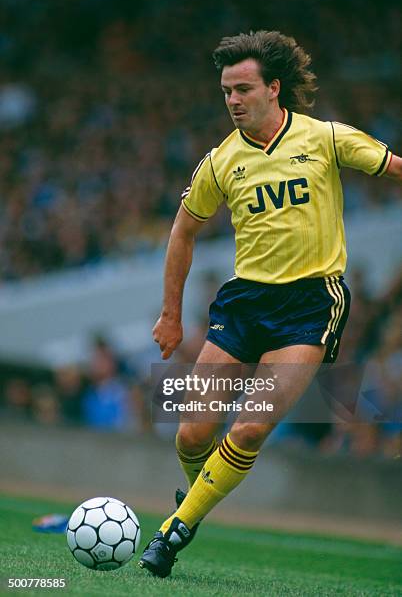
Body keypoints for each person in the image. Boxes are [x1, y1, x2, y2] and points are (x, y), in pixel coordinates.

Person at [139, 30, 402, 577]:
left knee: (251, 426)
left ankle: (173, 532)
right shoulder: (221, 162)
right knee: (192, 434)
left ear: (273, 88)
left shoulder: (326, 138)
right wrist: (169, 314)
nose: (232, 100)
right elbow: (182, 232)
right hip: (243, 303)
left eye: (242, 88)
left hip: (309, 304)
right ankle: (196, 501)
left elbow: (395, 167)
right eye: (225, 91)